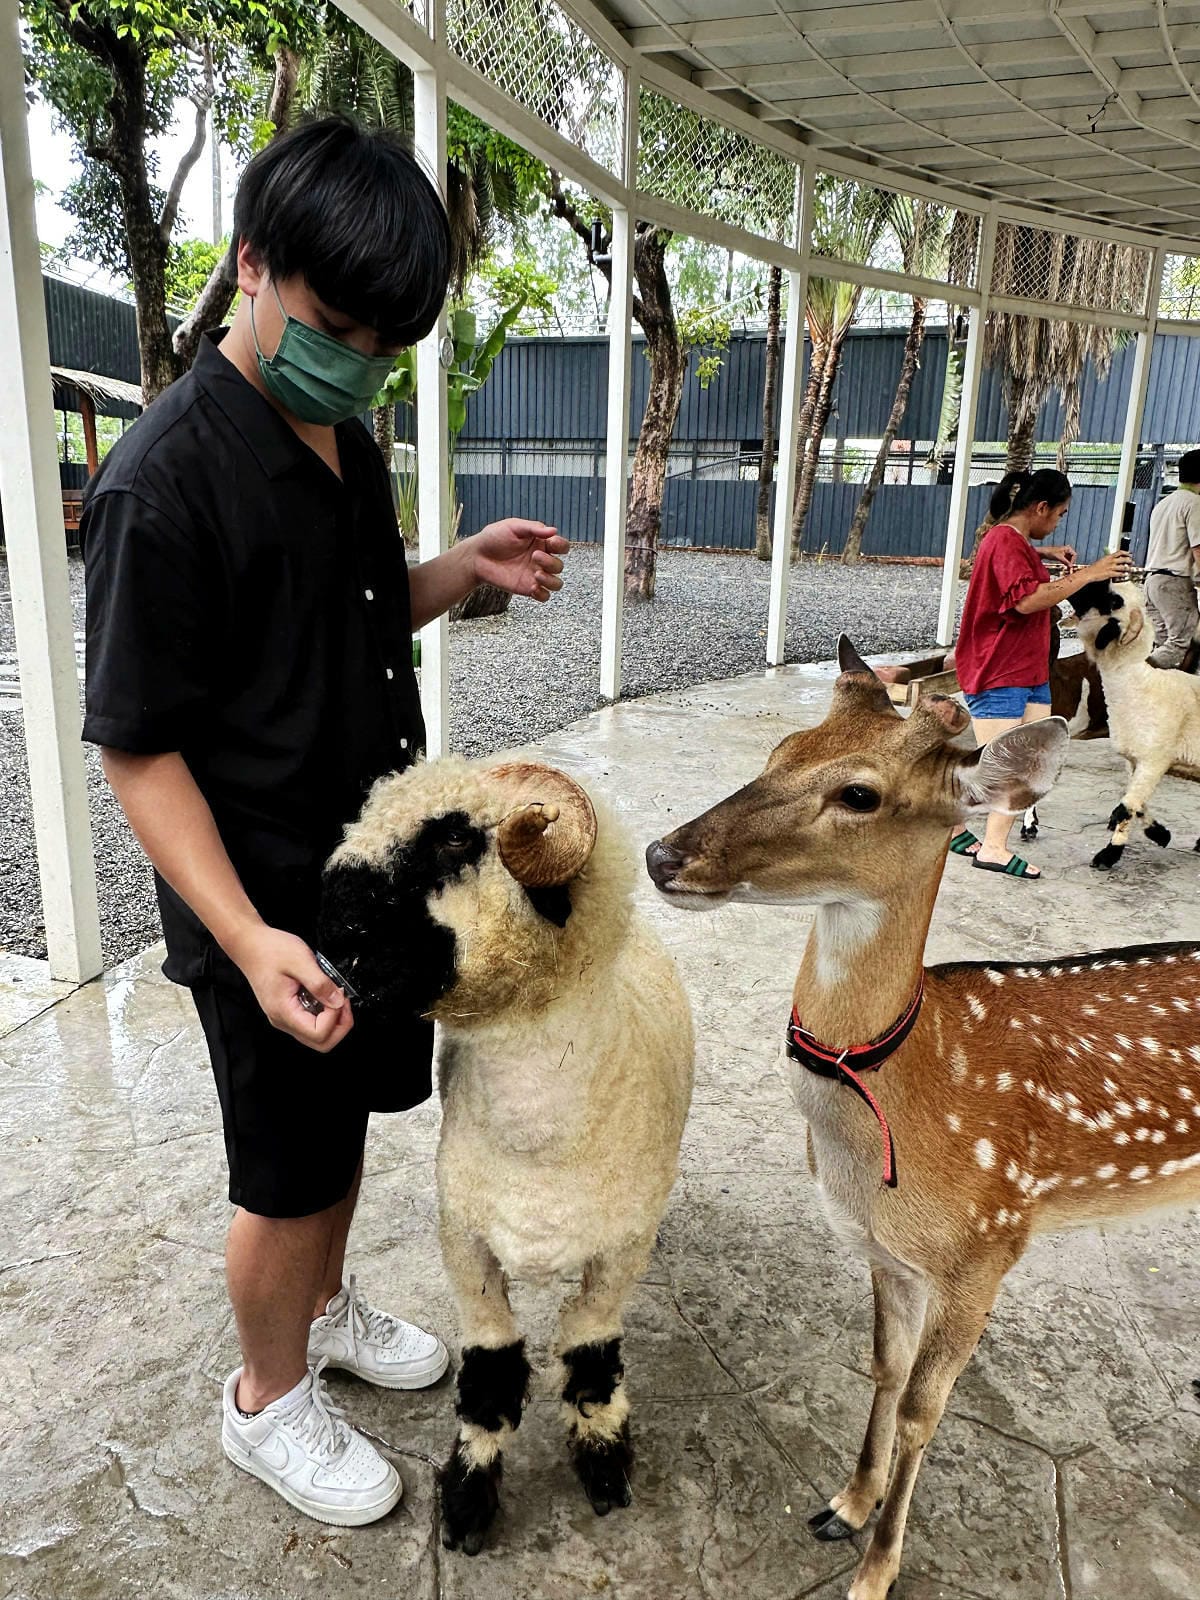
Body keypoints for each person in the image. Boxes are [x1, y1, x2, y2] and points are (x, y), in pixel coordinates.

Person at [81, 116, 569, 1528]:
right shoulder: (159, 485)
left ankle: (329, 1314)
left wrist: (454, 570)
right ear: (249, 265)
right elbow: (138, 744)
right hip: (269, 906)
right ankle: (264, 1399)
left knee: (350, 1130)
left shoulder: (339, 433)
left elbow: (342, 623)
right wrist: (245, 939)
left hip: (373, 877)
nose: (353, 359)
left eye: (380, 345)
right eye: (331, 325)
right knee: (283, 1175)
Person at [950, 469, 1132, 879]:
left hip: (1026, 669)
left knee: (1031, 760)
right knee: (1010, 766)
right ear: (1041, 508)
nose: (1058, 521)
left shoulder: (1011, 540)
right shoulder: (1003, 541)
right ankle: (993, 848)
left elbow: (1017, 568)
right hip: (1001, 670)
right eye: (1060, 514)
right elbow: (1027, 601)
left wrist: (1044, 554)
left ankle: (956, 827)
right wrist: (1089, 573)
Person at [1144, 448, 1200, 669]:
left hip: (1152, 583)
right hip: (1174, 584)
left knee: (1162, 643)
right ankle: (1138, 679)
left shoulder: (1164, 504)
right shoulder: (1194, 504)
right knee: (1181, 645)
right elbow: (1198, 549)